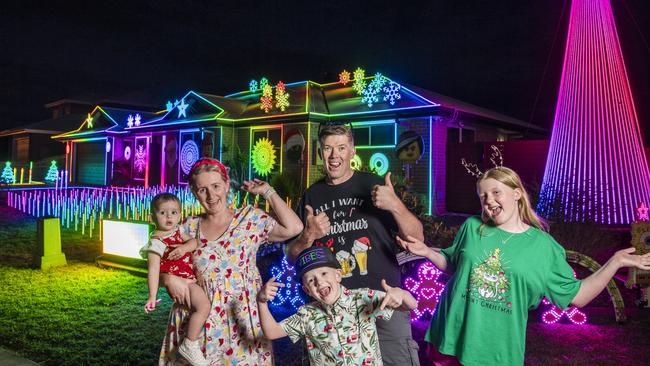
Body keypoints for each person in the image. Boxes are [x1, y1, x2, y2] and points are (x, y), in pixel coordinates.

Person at [397, 166, 650, 366]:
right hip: (448, 336)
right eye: (483, 195)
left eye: (496, 192)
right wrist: (427, 251)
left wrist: (615, 262)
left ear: (516, 193)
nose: (489, 200)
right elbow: (455, 267)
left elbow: (579, 296)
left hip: (495, 351)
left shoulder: (542, 246)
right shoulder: (473, 227)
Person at [287, 123, 424, 365]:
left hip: (384, 301)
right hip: (334, 313)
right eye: (327, 148)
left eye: (341, 147)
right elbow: (292, 255)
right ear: (320, 154)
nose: (334, 155)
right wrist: (308, 235)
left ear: (352, 151)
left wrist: (395, 205)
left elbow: (417, 239)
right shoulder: (312, 196)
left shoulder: (374, 185)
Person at [159, 158, 303, 366]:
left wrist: (268, 192)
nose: (211, 196)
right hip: (200, 326)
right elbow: (160, 264)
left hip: (243, 321)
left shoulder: (250, 219)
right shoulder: (188, 228)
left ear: (227, 185)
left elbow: (294, 228)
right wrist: (169, 279)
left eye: (216, 186)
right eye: (202, 190)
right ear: (194, 192)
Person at [257, 245, 418, 365]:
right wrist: (262, 301)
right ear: (307, 290)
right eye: (311, 280)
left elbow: (411, 305)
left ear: (338, 275)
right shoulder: (307, 315)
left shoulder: (362, 298)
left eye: (324, 273)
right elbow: (272, 332)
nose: (319, 282)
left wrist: (401, 294)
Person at [141, 193, 211, 366]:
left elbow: (194, 242)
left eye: (173, 212)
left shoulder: (179, 231)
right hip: (183, 282)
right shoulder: (156, 242)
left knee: (200, 308)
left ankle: (191, 342)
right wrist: (152, 296)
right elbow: (153, 270)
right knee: (204, 306)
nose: (169, 216)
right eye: (163, 213)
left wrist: (184, 248)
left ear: (180, 215)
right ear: (152, 217)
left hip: (189, 280)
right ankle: (190, 344)